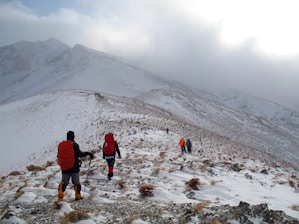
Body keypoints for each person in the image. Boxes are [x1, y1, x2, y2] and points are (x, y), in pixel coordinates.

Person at [57, 131, 93, 200]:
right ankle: (78, 195)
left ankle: (60, 194)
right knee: (76, 182)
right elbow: (79, 154)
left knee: (64, 182)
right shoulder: (74, 145)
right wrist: (88, 153)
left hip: (64, 167)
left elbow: (58, 156)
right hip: (74, 167)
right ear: (73, 136)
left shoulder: (62, 145)